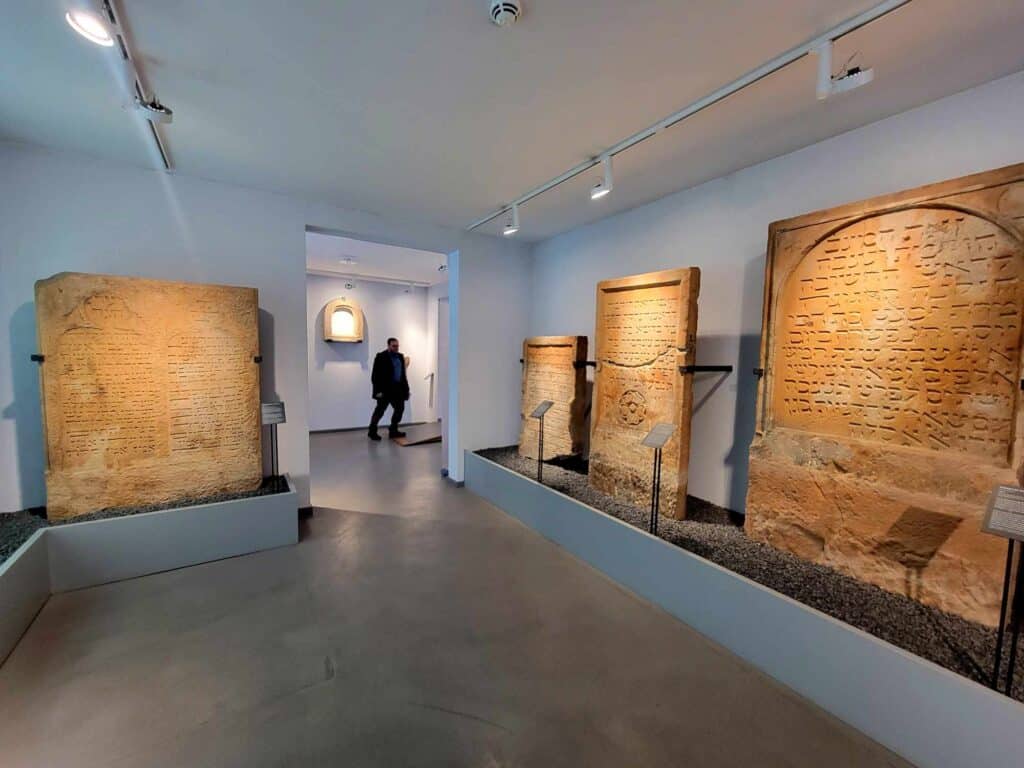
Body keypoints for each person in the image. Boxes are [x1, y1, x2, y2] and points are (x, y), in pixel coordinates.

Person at [368, 337, 410, 441]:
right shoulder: (381, 356)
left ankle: (393, 430)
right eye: (394, 346)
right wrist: (377, 392)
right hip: (385, 390)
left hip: (398, 389)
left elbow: (403, 375)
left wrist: (406, 390)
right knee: (380, 411)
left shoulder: (400, 357)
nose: (396, 348)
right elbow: (375, 376)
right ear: (388, 346)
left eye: (397, 346)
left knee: (400, 409)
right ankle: (372, 431)